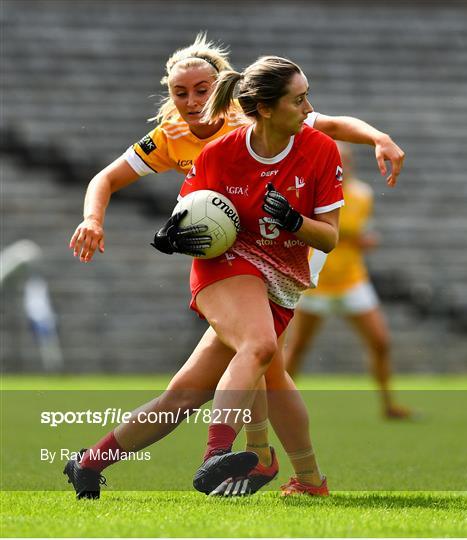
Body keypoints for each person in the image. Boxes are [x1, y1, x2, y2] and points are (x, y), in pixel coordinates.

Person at [65, 34, 404, 499]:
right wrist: (150, 227)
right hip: (226, 260)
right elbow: (126, 185)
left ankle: (90, 462)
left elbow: (333, 128)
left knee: (197, 390)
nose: (191, 101)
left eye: (201, 90)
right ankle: (224, 457)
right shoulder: (179, 140)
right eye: (180, 93)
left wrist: (378, 137)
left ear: (222, 87)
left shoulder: (266, 119)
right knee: (260, 348)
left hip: (284, 269)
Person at [159, 54, 343, 497]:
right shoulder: (222, 150)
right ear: (264, 107)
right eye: (298, 100)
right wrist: (173, 232)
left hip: (285, 276)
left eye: (306, 98)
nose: (307, 107)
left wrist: (294, 221)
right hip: (234, 270)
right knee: (261, 357)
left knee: (265, 373)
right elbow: (187, 210)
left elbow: (330, 239)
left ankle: (282, 468)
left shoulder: (318, 146)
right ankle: (229, 456)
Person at [285, 143, 411, 419]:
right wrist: (352, 239)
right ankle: (278, 405)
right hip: (316, 283)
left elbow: (357, 233)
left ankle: (389, 405)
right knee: (297, 348)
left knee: (380, 342)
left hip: (353, 281)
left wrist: (363, 241)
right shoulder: (310, 193)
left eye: (343, 161)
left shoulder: (363, 195)